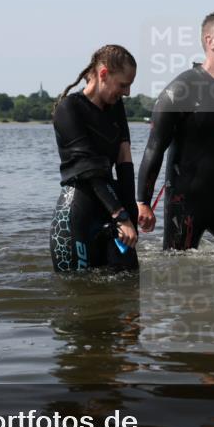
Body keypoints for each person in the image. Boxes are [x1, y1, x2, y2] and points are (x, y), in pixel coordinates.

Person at [137, 9, 214, 250]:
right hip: (185, 204)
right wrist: (143, 202)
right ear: (210, 41)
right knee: (177, 272)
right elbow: (154, 149)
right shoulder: (182, 89)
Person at [50, 45, 139, 272]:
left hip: (112, 210)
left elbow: (124, 161)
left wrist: (131, 217)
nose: (127, 92)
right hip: (76, 216)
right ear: (103, 75)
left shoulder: (115, 107)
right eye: (123, 85)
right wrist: (120, 215)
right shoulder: (68, 108)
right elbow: (89, 171)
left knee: (130, 286)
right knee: (79, 296)